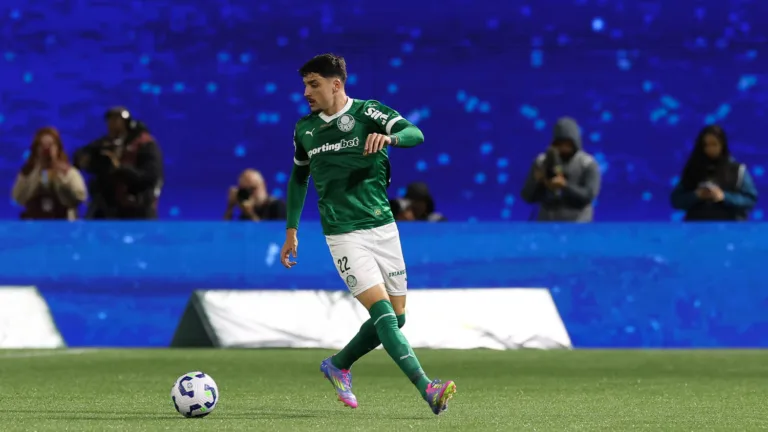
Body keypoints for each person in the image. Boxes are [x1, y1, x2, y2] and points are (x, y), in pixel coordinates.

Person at [280, 53, 456, 415]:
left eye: (313, 84)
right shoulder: (305, 130)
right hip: (343, 233)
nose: (306, 93)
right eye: (304, 86)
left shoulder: (368, 113)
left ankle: (339, 364)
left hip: (383, 226)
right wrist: (291, 229)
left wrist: (389, 140)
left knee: (398, 315)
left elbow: (415, 133)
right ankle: (427, 387)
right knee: (384, 315)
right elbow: (299, 177)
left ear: (336, 84)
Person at [74, 107, 163, 219]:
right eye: (110, 120)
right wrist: (88, 161)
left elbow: (150, 177)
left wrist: (120, 168)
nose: (113, 124)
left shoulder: (145, 145)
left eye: (117, 120)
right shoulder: (104, 143)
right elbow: (81, 156)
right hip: (105, 208)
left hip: (136, 210)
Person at [520, 117, 601, 222]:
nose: (563, 148)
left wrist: (565, 186)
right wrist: (537, 181)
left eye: (568, 144)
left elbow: (588, 195)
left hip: (578, 225)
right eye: (560, 144)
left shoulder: (587, 164)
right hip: (547, 224)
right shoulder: (541, 162)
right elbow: (527, 197)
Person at [671, 125, 758, 220]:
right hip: (696, 229)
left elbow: (750, 200)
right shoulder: (692, 169)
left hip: (730, 229)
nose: (710, 149)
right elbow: (676, 200)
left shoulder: (737, 170)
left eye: (714, 144)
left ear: (722, 145)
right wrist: (696, 195)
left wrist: (724, 197)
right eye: (706, 145)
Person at [12, 127, 87, 220]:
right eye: (42, 145)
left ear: (58, 147)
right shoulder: (27, 172)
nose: (46, 149)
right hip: (34, 224)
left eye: (50, 145)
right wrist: (36, 172)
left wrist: (60, 175)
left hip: (64, 224)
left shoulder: (69, 172)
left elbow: (80, 196)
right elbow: (18, 198)